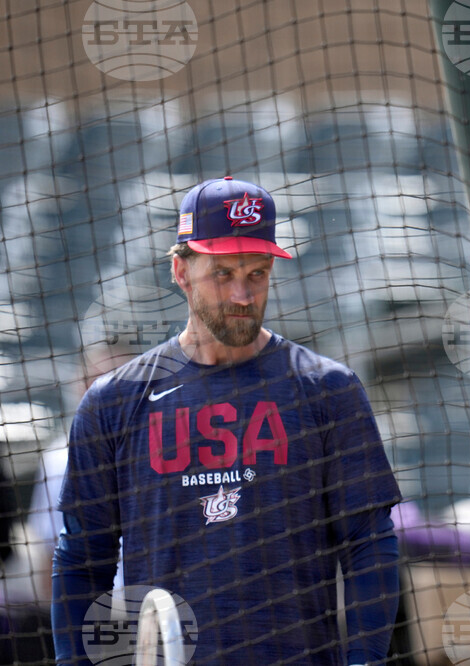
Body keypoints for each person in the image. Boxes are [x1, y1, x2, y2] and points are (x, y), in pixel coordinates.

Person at [52, 176, 402, 665]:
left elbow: (368, 542)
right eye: (222, 274)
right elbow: (81, 560)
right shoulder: (115, 400)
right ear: (181, 271)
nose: (242, 294)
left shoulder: (327, 389)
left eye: (256, 274)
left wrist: (365, 661)